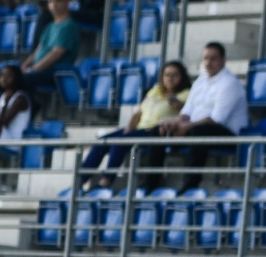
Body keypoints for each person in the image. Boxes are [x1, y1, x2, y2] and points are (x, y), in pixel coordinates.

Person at [80, 59, 188, 187]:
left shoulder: (186, 93)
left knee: (120, 142)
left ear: (182, 77)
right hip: (139, 128)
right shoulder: (155, 90)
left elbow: (186, 112)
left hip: (155, 131)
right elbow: (138, 113)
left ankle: (106, 181)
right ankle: (81, 180)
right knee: (102, 142)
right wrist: (129, 128)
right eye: (167, 75)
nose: (170, 78)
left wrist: (179, 104)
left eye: (175, 75)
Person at [157, 41, 248, 185]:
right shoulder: (200, 81)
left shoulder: (229, 83)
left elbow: (216, 119)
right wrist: (175, 124)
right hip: (197, 128)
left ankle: (191, 183)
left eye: (213, 58)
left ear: (223, 60)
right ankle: (152, 183)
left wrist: (186, 127)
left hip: (227, 135)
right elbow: (186, 111)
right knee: (159, 131)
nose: (208, 62)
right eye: (205, 58)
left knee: (199, 131)